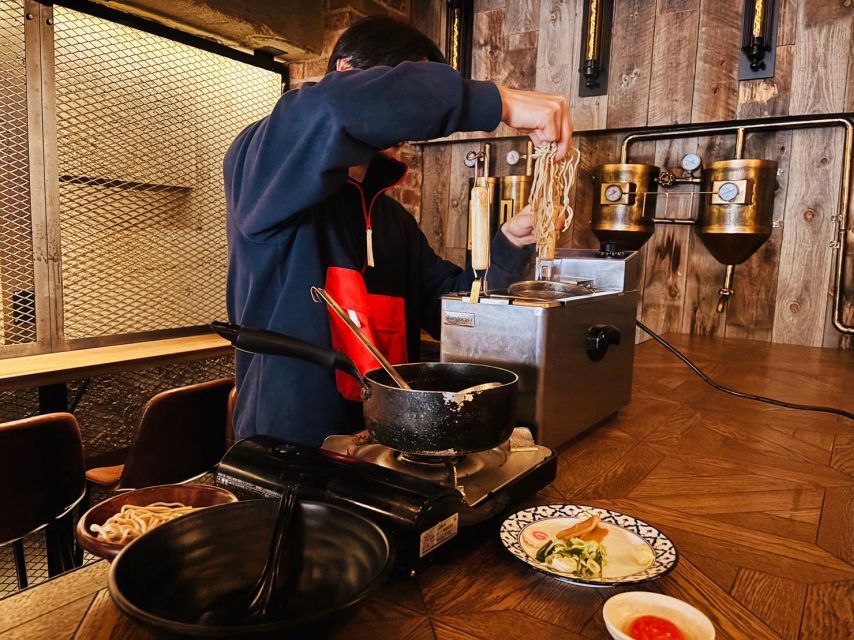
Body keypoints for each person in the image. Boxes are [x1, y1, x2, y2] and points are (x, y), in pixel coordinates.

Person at [224, 15, 572, 445]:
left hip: (387, 444)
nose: (415, 119)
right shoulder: (265, 169)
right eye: (410, 85)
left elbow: (454, 310)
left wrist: (510, 244)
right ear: (346, 73)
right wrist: (499, 101)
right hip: (289, 451)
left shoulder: (393, 221)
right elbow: (329, 108)